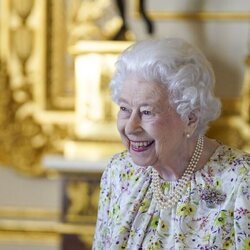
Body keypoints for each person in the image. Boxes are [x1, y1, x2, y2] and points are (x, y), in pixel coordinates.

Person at [92, 38, 250, 249]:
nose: (130, 127)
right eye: (124, 109)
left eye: (147, 112)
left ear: (190, 119)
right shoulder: (119, 173)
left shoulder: (241, 182)